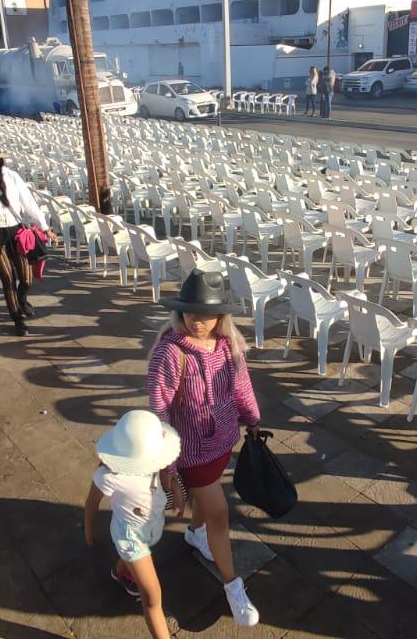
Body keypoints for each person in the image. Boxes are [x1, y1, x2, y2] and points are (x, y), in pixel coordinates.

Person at [147, 270, 261, 627]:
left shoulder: (227, 345)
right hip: (190, 451)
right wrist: (167, 465)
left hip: (223, 440)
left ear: (221, 316)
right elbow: (159, 408)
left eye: (206, 313)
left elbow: (241, 386)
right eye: (191, 312)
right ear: (180, 312)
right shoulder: (170, 352)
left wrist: (253, 419)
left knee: (208, 504)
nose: (198, 321)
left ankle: (196, 534)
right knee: (220, 513)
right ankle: (233, 585)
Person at [83, 410, 182, 639]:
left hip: (150, 525)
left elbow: (166, 478)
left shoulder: (152, 461)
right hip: (130, 537)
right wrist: (89, 531)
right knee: (153, 596)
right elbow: (91, 502)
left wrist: (176, 489)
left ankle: (119, 572)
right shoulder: (109, 476)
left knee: (130, 560)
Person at [0, 137, 56, 336]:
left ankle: (22, 300)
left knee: (26, 278)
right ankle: (17, 319)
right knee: (8, 279)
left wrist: (44, 227)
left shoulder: (11, 176)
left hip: (16, 231)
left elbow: (28, 202)